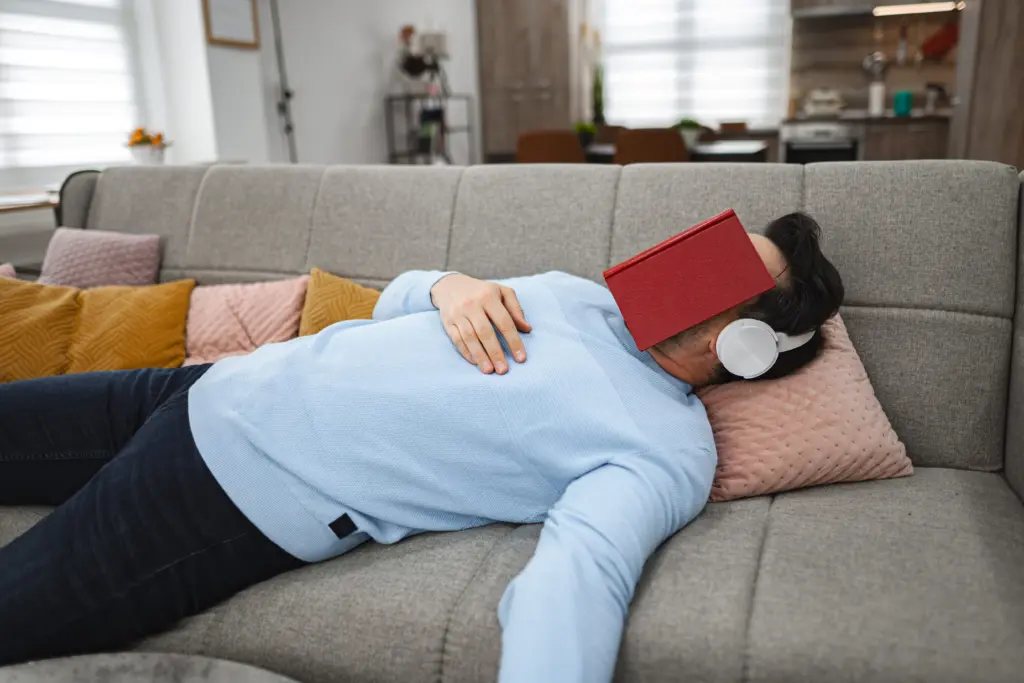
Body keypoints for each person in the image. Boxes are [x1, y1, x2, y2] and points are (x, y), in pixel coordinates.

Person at [0, 212, 843, 681]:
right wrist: (448, 285)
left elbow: (580, 578)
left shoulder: (666, 448)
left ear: (748, 346)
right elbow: (388, 305)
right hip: (195, 387)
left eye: (727, 276)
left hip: (222, 493)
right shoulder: (577, 297)